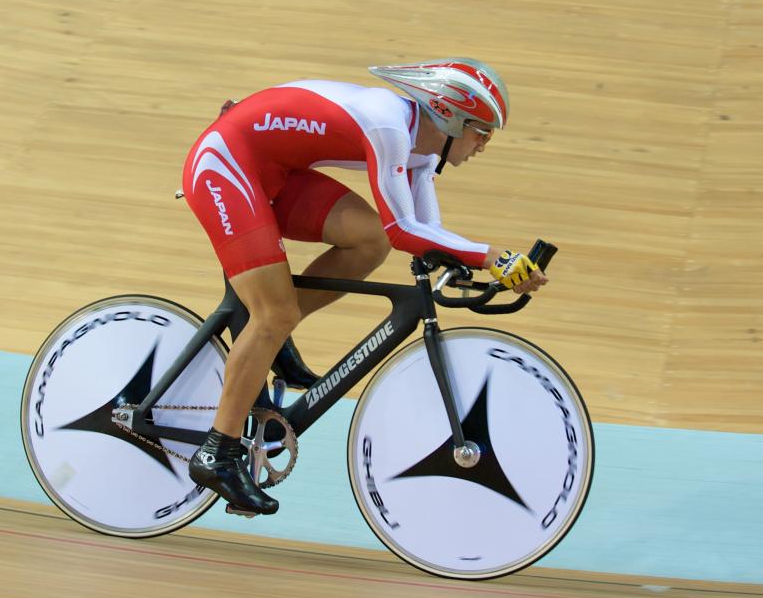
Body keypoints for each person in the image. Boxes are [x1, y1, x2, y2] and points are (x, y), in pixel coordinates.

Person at [180, 58, 548, 515]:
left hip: (272, 168)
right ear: (450, 116)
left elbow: (426, 233)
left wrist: (487, 262)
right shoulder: (390, 128)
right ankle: (217, 453)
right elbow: (404, 230)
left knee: (366, 241)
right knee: (273, 314)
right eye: (483, 132)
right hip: (227, 164)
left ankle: (268, 343)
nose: (484, 145)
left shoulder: (424, 150)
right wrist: (493, 256)